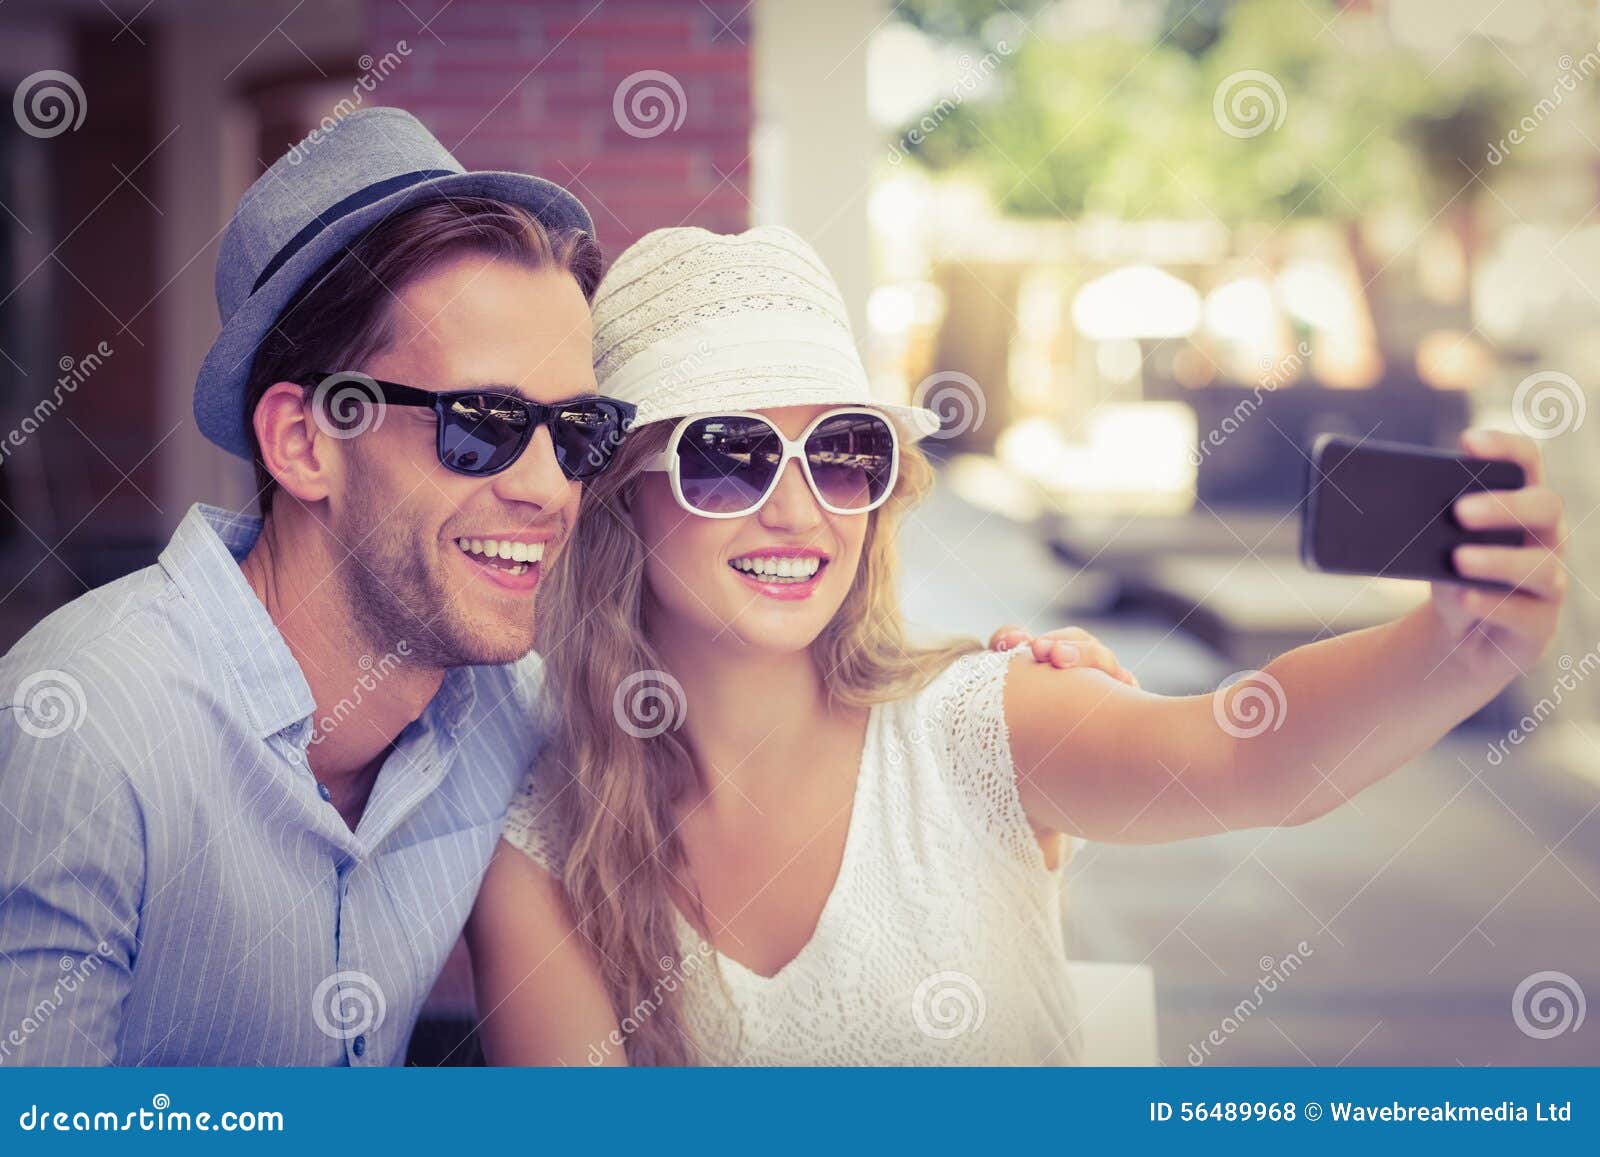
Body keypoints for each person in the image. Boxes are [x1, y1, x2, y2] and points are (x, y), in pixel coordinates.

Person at [0, 110, 1119, 1066]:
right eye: (480, 427)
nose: (550, 488)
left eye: (574, 432)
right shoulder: (84, 727)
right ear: (304, 441)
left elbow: (732, 701)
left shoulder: (504, 706)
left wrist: (988, 755)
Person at [467, 225, 1568, 1066]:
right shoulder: (540, 850)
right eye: (727, 456)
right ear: (621, 499)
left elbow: (1248, 755)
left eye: (843, 454)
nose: (800, 511)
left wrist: (1453, 647)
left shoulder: (976, 719)